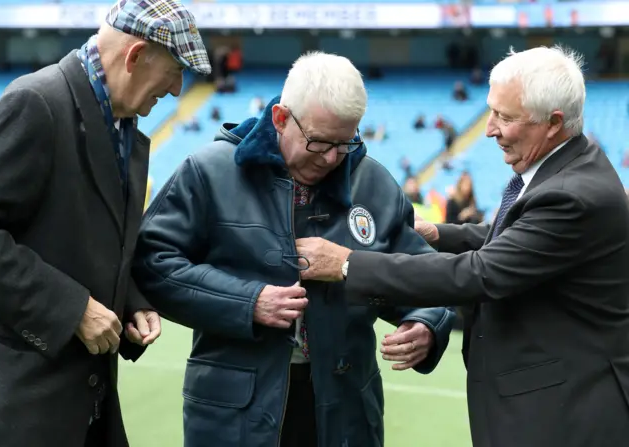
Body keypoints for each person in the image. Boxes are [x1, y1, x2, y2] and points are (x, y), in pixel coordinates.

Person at [295, 46, 629, 447]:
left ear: (553, 123)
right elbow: (515, 237)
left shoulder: (572, 195)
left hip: (567, 414)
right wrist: (439, 234)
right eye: (491, 111)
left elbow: (481, 273)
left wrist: (349, 264)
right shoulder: (571, 168)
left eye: (505, 117)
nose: (489, 128)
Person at [132, 51, 455, 447]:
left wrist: (427, 322)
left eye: (346, 142)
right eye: (320, 142)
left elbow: (426, 272)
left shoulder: (372, 183)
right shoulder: (208, 172)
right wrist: (248, 302)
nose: (334, 157)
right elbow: (152, 262)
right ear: (281, 119)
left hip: (346, 413)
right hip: (234, 414)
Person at [0, 1, 211, 446]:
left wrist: (131, 301)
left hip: (91, 409)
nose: (175, 91)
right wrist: (72, 309)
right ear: (134, 57)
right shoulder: (37, 103)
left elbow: (86, 238)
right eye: (173, 72)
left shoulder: (122, 123)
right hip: (24, 411)